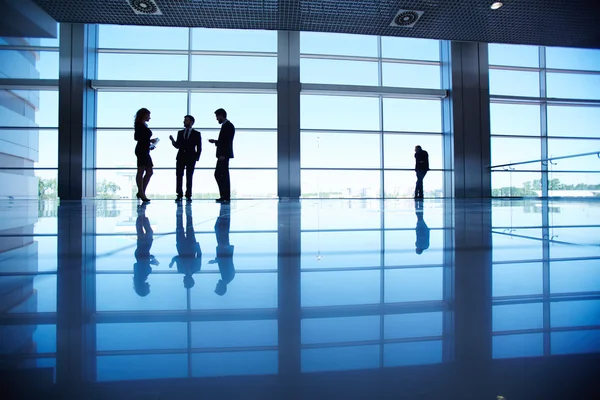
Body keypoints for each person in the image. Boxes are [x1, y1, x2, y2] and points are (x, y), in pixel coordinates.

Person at [169, 202, 202, 289]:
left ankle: (182, 207)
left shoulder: (183, 269)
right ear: (188, 280)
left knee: (181, 225)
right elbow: (199, 255)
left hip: (184, 245)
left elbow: (177, 258)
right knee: (187, 225)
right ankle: (185, 208)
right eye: (184, 282)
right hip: (187, 245)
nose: (183, 281)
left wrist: (172, 262)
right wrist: (196, 245)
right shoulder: (194, 268)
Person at [169, 115, 201, 202]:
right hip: (181, 157)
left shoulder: (197, 134)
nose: (184, 122)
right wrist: (173, 141)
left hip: (191, 157)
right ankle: (179, 194)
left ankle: (188, 194)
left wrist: (197, 157)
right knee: (179, 175)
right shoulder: (180, 133)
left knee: (189, 176)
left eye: (186, 120)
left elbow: (199, 147)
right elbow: (177, 145)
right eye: (184, 120)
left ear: (191, 122)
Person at [208, 108, 235, 204]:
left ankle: (225, 195)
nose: (216, 119)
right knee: (221, 175)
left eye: (217, 116)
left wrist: (223, 154)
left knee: (220, 174)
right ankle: (224, 195)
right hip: (223, 154)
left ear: (221, 115)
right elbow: (224, 141)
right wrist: (215, 142)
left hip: (223, 155)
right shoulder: (226, 126)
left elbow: (228, 142)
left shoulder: (228, 126)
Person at [208, 204, 235, 296]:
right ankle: (225, 208)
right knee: (220, 228)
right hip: (224, 247)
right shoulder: (227, 277)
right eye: (217, 286)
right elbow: (226, 261)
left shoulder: (227, 277)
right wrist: (216, 261)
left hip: (223, 248)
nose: (216, 284)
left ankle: (224, 209)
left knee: (220, 228)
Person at [133, 204, 159, 296]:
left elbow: (143, 264)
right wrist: (151, 259)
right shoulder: (138, 277)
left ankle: (141, 214)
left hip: (143, 251)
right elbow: (138, 264)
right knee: (141, 232)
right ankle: (141, 214)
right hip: (141, 253)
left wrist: (153, 261)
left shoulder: (142, 276)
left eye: (148, 288)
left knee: (146, 232)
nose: (149, 286)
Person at [134, 108, 156, 202]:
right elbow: (137, 138)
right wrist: (149, 141)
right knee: (141, 171)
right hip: (141, 150)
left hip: (145, 150)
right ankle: (141, 193)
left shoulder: (143, 125)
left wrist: (150, 142)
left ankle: (141, 192)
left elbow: (142, 138)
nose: (149, 117)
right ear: (143, 115)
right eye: (148, 115)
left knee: (149, 171)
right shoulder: (139, 125)